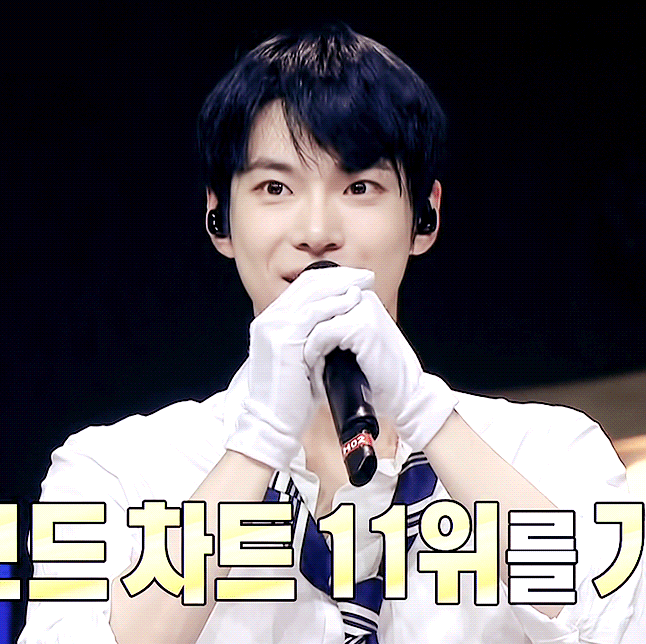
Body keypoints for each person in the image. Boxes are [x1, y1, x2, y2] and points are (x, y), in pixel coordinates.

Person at [19, 22, 643, 644]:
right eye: (275, 187)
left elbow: (615, 624)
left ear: (425, 216)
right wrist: (258, 443)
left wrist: (425, 412)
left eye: (359, 187)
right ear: (219, 217)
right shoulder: (115, 471)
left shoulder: (552, 453)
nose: (317, 232)